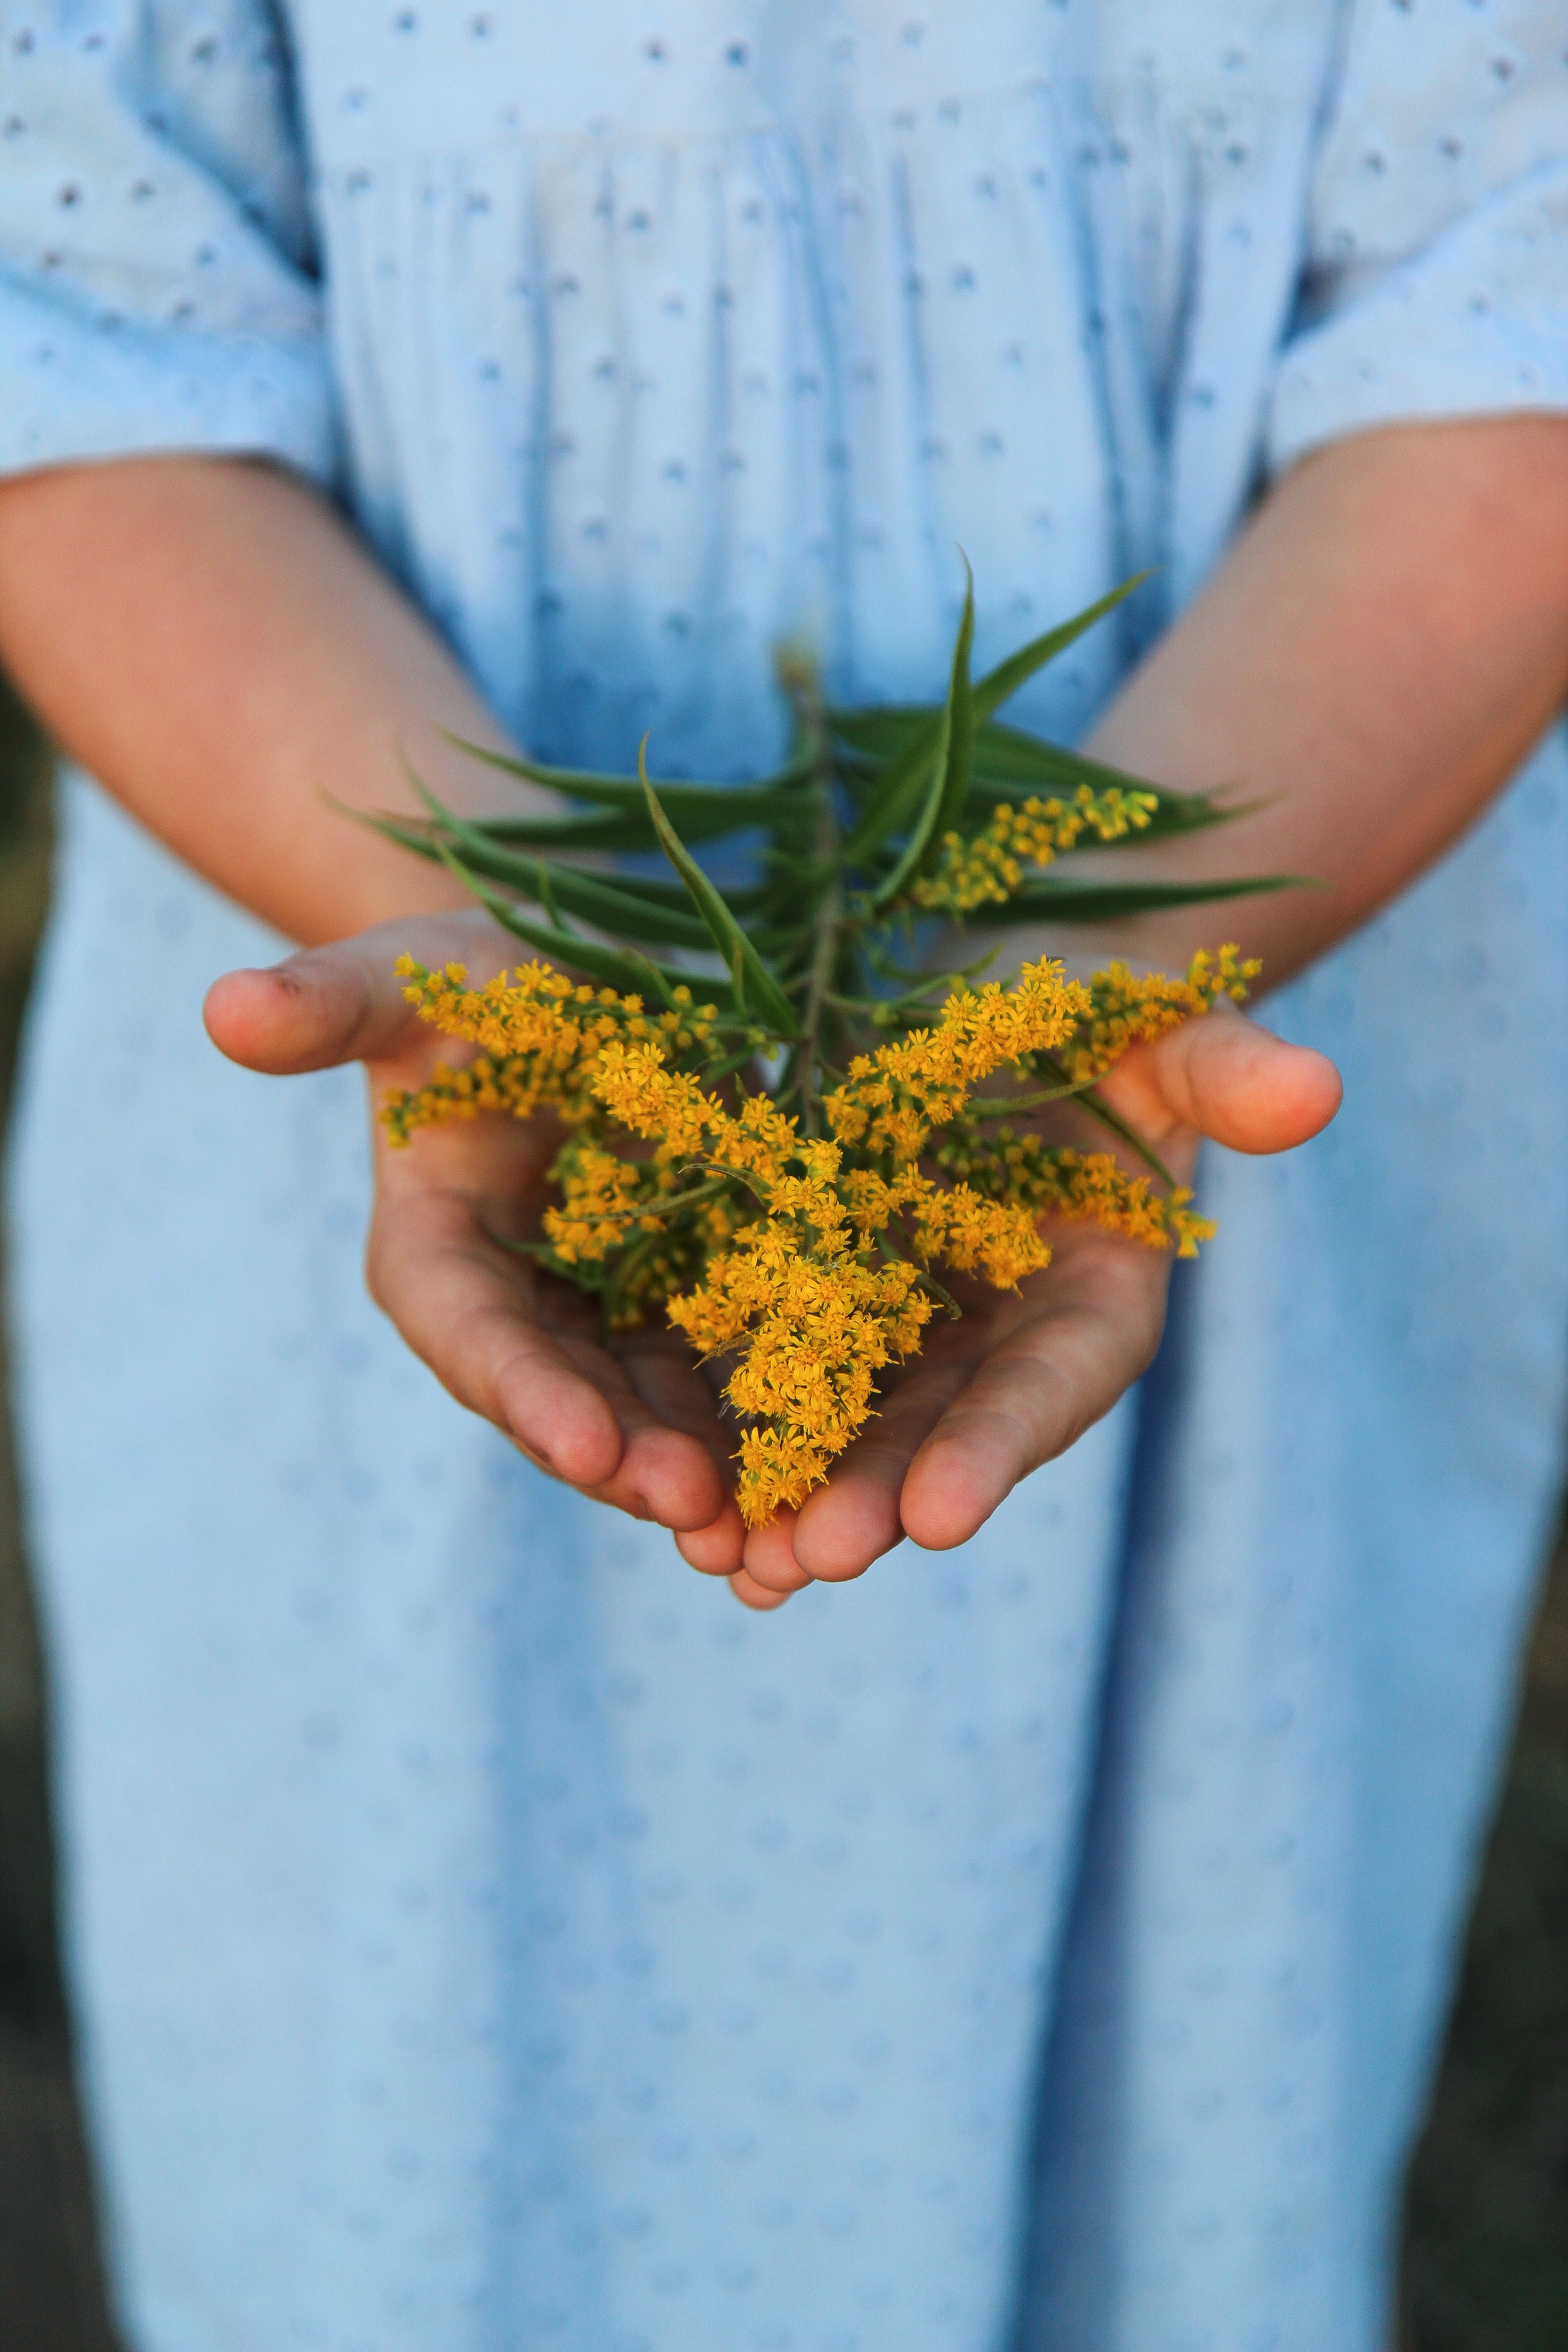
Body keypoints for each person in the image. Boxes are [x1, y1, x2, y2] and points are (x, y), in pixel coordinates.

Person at [0, 4, 1565, 2348]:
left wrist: (1077, 969)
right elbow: (81, 349)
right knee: (396, 2109)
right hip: (332, 952)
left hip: (1272, 899)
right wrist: (534, 948)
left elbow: (1507, 342)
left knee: (1174, 2115)